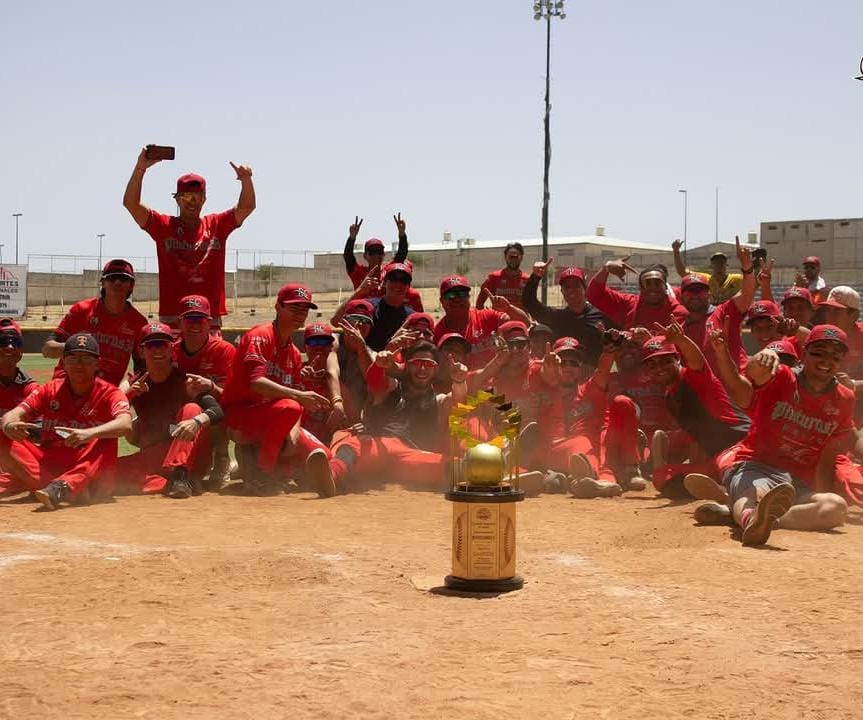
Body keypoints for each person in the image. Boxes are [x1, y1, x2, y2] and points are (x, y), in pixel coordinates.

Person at [703, 327, 855, 546]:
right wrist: (762, 357)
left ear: (841, 362)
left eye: (835, 356)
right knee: (752, 493)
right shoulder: (783, 376)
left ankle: (760, 517)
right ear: (804, 354)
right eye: (818, 353)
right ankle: (750, 519)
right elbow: (754, 374)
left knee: (835, 508)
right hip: (756, 465)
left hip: (796, 481)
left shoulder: (845, 398)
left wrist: (817, 490)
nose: (826, 361)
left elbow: (829, 452)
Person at [122, 147, 256, 329]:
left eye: (197, 197)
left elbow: (247, 207)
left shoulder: (217, 225)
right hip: (173, 318)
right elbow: (131, 204)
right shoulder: (164, 226)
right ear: (177, 199)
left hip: (209, 319)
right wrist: (140, 168)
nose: (192, 203)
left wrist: (246, 180)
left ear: (204, 199)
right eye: (186, 197)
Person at [222, 284, 336, 497]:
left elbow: (295, 403)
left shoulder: (294, 353)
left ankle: (285, 472)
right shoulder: (260, 336)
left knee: (324, 454)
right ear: (277, 307)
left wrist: (293, 432)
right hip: (241, 415)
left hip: (274, 418)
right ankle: (262, 474)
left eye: (304, 310)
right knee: (290, 406)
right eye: (294, 308)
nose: (300, 315)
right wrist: (299, 395)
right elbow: (256, 382)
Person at [0, 333, 132, 511]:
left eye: (86, 358)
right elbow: (13, 415)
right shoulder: (50, 390)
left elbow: (125, 424)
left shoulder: (109, 393)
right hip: (48, 465)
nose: (79, 364)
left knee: (107, 437)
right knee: (1, 430)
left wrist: (89, 433)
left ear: (97, 363)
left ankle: (65, 486)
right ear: (63, 362)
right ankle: (61, 489)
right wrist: (9, 425)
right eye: (72, 358)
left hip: (88, 469)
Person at [328, 341, 468, 493]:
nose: (422, 369)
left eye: (428, 364)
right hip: (378, 448)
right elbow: (375, 383)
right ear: (407, 365)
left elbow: (458, 400)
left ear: (436, 369)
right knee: (353, 446)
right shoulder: (393, 386)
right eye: (417, 363)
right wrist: (378, 366)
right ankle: (331, 476)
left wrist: (459, 380)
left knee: (456, 466)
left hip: (410, 458)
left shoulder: (439, 400)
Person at [116, 322, 224, 499]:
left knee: (192, 408)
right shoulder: (133, 382)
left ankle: (180, 475)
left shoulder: (185, 380)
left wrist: (196, 421)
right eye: (151, 345)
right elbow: (110, 415)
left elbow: (217, 411)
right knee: (107, 472)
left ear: (171, 349)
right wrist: (130, 396)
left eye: (163, 345)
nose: (157, 350)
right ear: (141, 351)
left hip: (191, 455)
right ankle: (170, 483)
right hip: (156, 453)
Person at [644, 321, 751, 495]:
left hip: (743, 446)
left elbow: (696, 360)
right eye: (652, 365)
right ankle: (719, 485)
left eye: (665, 361)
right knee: (661, 477)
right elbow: (697, 438)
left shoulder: (695, 378)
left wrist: (682, 340)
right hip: (717, 457)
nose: (659, 368)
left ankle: (726, 490)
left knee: (728, 469)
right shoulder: (670, 398)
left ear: (678, 359)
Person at [42, 259, 147, 387]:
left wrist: (124, 388)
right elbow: (47, 349)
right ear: (103, 283)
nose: (117, 282)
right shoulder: (82, 310)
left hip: (104, 391)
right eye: (112, 278)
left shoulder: (139, 323)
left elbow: (142, 368)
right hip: (66, 383)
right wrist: (79, 348)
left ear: (131, 285)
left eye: (124, 279)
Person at [172, 294, 237, 488]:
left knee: (210, 406)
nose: (194, 325)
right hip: (182, 418)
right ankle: (186, 462)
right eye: (189, 319)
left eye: (199, 320)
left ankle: (222, 459)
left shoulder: (224, 350)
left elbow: (232, 397)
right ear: (179, 323)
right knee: (137, 430)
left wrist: (211, 386)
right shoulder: (172, 351)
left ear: (209, 323)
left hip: (218, 418)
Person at [680, 238, 756, 374]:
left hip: (733, 383)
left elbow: (746, 294)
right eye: (690, 291)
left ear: (709, 294)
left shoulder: (723, 312)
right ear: (682, 297)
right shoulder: (680, 329)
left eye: (700, 290)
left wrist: (747, 269)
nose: (695, 295)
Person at [521, 258, 613, 365]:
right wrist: (535, 277)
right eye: (567, 287)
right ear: (562, 291)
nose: (571, 290)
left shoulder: (601, 316)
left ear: (585, 288)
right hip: (563, 373)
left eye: (576, 286)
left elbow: (621, 338)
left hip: (595, 374)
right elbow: (529, 302)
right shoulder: (557, 318)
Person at [432, 275, 529, 369]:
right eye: (451, 295)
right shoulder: (438, 333)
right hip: (463, 379)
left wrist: (509, 309)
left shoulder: (487, 317)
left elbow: (525, 323)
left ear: (469, 297)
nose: (457, 299)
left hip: (498, 377)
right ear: (442, 301)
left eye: (462, 294)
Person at [342, 214, 423, 311]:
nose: (376, 255)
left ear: (383, 254)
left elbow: (401, 255)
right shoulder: (358, 273)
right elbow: (348, 257)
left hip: (384, 315)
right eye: (372, 252)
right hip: (364, 315)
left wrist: (402, 234)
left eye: (379, 252)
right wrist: (352, 238)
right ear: (365, 256)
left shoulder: (389, 271)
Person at [333, 261, 416, 351]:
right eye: (393, 279)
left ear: (409, 286)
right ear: (384, 283)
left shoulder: (411, 317)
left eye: (404, 280)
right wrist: (359, 291)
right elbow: (336, 321)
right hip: (367, 357)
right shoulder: (369, 307)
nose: (398, 284)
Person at [587, 257, 688, 331]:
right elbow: (594, 295)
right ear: (640, 287)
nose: (652, 288)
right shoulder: (628, 303)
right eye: (647, 283)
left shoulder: (678, 312)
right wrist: (606, 268)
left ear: (665, 286)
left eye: (657, 283)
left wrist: (648, 339)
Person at [334, 299, 376, 423]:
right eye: (354, 318)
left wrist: (360, 346)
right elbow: (330, 374)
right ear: (344, 322)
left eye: (365, 321)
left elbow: (374, 382)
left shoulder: (371, 354)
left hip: (357, 415)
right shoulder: (333, 342)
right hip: (331, 405)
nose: (359, 324)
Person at [672, 240, 742, 305]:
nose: (719, 265)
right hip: (712, 312)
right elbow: (683, 272)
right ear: (711, 266)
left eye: (722, 262)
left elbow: (748, 278)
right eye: (716, 263)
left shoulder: (737, 279)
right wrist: (676, 251)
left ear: (726, 265)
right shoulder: (705, 279)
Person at [0, 320, 38, 425]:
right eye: (2, 341)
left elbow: (39, 427)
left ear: (21, 351)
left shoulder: (31, 389)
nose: (10, 347)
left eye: (16, 342)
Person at [477, 243, 530, 310]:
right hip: (498, 316)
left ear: (521, 257)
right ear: (505, 257)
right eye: (511, 257)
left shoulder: (527, 280)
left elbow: (532, 304)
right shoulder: (494, 277)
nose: (513, 260)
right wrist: (482, 315)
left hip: (520, 317)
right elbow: (480, 302)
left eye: (516, 257)